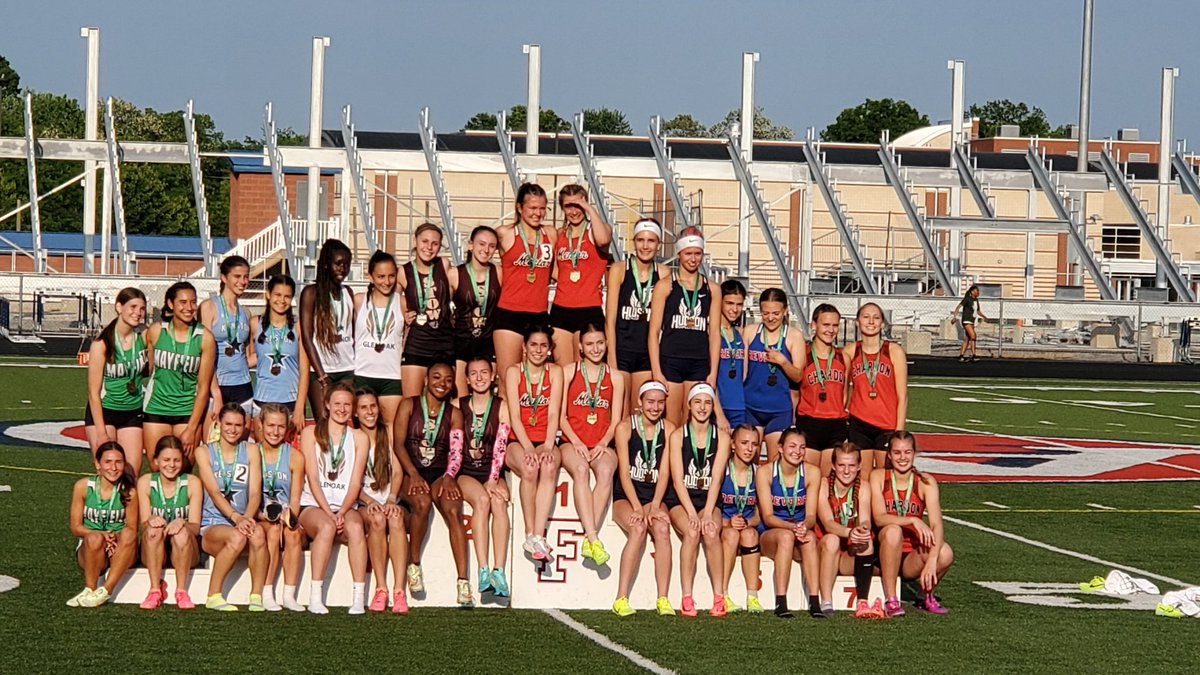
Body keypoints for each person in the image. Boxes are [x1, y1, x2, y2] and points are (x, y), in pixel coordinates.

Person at [393, 362, 471, 607]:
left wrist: (449, 476)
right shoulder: (409, 405)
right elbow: (397, 444)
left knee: (453, 509)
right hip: (410, 471)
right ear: (426, 379)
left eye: (448, 380)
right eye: (436, 377)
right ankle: (413, 565)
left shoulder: (454, 413)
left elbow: (457, 451)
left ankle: (463, 581)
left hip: (439, 474)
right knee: (422, 502)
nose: (442, 383)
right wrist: (413, 474)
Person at [298, 382, 371, 615]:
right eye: (337, 403)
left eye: (347, 405)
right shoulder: (310, 433)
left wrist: (342, 511)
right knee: (327, 527)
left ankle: (358, 597)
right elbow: (312, 477)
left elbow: (355, 483)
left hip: (345, 504)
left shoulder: (359, 438)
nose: (342, 409)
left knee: (357, 528)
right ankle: (315, 596)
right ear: (327, 405)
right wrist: (330, 513)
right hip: (314, 503)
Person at [558, 323, 624, 567]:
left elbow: (615, 419)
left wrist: (603, 442)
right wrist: (576, 441)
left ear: (606, 344)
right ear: (580, 347)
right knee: (581, 471)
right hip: (571, 442)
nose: (595, 349)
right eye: (589, 344)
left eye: (600, 343)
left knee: (606, 471)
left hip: (600, 442)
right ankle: (594, 537)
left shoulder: (615, 377)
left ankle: (588, 539)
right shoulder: (568, 372)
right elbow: (560, 415)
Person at [611, 382, 678, 617]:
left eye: (660, 402)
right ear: (640, 402)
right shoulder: (625, 427)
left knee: (661, 528)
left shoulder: (669, 429)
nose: (655, 407)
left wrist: (655, 504)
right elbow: (624, 472)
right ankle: (621, 597)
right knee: (637, 528)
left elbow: (666, 472)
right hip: (627, 495)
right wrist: (639, 508)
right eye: (650, 401)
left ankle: (663, 598)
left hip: (655, 496)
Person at [870, 431, 954, 617]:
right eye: (897, 453)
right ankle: (891, 599)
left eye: (907, 452)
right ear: (890, 455)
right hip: (882, 553)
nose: (903, 458)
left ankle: (923, 596)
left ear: (914, 454)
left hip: (909, 559)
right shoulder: (878, 477)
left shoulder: (925, 481)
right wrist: (912, 519)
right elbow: (879, 518)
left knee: (945, 552)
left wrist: (932, 560)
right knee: (893, 531)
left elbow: (937, 524)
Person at [195, 404, 268, 611]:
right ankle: (213, 595)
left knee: (259, 534)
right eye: (228, 424)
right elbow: (215, 493)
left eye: (238, 425)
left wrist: (246, 517)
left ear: (245, 426)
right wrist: (237, 518)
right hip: (213, 524)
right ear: (218, 423)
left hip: (243, 518)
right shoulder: (204, 452)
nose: (233, 429)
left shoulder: (251, 450)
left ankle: (256, 596)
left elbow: (255, 492)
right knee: (237, 536)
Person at [667, 383, 730, 618]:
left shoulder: (722, 437)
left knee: (711, 531)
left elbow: (716, 478)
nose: (702, 407)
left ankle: (719, 596)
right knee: (693, 532)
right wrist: (693, 513)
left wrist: (706, 512)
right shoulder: (677, 436)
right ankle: (686, 596)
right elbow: (677, 480)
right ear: (689, 405)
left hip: (709, 500)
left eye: (707, 403)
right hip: (682, 501)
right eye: (698, 402)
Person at [649, 227, 722, 426]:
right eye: (688, 253)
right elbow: (654, 331)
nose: (693, 259)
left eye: (697, 254)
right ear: (679, 254)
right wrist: (657, 370)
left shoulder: (712, 289)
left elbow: (714, 334)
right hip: (670, 361)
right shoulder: (665, 286)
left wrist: (713, 372)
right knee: (671, 422)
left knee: (694, 422)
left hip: (698, 362)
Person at [504, 324, 564, 564]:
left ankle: (538, 535)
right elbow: (515, 415)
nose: (538, 350)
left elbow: (553, 412)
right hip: (519, 439)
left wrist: (548, 445)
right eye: (533, 345)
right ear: (524, 347)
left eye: (543, 345)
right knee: (530, 468)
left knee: (548, 466)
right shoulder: (513, 372)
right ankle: (530, 533)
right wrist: (528, 447)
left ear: (549, 349)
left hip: (546, 437)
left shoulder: (555, 372)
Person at [143, 281, 217, 470]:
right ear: (170, 304)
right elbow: (147, 368)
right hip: (156, 408)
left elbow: (203, 387)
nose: (189, 308)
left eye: (193, 302)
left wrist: (192, 428)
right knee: (156, 466)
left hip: (187, 412)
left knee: (184, 467)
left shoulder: (205, 338)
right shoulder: (156, 331)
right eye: (182, 302)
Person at [458, 357, 513, 600]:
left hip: (493, 470)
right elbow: (454, 447)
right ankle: (482, 569)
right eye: (474, 373)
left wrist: (493, 479)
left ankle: (498, 571)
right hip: (466, 472)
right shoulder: (457, 405)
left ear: (493, 376)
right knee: (481, 500)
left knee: (499, 502)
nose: (479, 377)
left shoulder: (502, 406)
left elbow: (501, 445)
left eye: (484, 372)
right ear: (467, 379)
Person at [756, 427, 822, 619]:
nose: (797, 451)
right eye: (792, 446)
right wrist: (792, 528)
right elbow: (767, 517)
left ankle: (814, 601)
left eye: (802, 447)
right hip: (772, 532)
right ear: (781, 448)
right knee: (785, 537)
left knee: (810, 538)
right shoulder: (766, 472)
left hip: (798, 530)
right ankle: (781, 601)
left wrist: (803, 526)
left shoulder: (812, 472)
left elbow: (811, 515)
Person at [605, 218, 669, 415]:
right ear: (634, 241)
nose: (645, 246)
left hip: (646, 353)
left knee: (638, 410)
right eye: (640, 240)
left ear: (659, 244)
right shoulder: (619, 270)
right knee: (620, 411)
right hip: (622, 349)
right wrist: (612, 359)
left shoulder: (664, 273)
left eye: (651, 241)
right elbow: (610, 319)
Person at [354, 389, 409, 614]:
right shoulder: (353, 437)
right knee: (377, 519)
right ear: (356, 413)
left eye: (373, 406)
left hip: (389, 497)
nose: (370, 412)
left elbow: (397, 472)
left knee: (395, 519)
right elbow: (350, 480)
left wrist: (392, 499)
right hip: (363, 501)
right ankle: (380, 587)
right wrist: (367, 500)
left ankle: (399, 590)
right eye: (364, 408)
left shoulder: (388, 433)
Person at [494, 183, 556, 377]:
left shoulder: (551, 234)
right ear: (520, 208)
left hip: (538, 313)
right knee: (508, 378)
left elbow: (558, 271)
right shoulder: (505, 233)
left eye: (542, 208)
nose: (538, 213)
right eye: (532, 208)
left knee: (534, 379)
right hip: (509, 313)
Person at [817, 442, 885, 619]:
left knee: (866, 542)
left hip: (845, 554)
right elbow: (828, 523)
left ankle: (862, 601)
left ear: (859, 466)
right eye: (841, 465)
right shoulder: (823, 485)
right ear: (833, 465)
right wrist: (849, 532)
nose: (846, 471)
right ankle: (826, 601)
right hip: (822, 551)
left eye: (851, 465)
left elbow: (865, 519)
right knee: (832, 539)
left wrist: (863, 529)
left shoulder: (863, 487)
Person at [66, 441, 138, 608]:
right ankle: (90, 589)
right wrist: (103, 536)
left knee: (128, 534)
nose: (113, 467)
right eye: (108, 462)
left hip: (119, 549)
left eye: (118, 462)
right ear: (97, 464)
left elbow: (132, 528)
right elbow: (75, 527)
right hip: (91, 548)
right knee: (93, 537)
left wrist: (115, 539)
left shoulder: (130, 491)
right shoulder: (83, 486)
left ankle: (106, 590)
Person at [85, 287, 147, 473]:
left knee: (131, 473)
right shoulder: (101, 344)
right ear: (119, 307)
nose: (138, 313)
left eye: (142, 308)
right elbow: (93, 393)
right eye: (133, 306)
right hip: (105, 412)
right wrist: (101, 432)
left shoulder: (144, 337)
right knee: (109, 472)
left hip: (132, 411)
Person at [549, 185, 612, 365]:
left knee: (583, 369)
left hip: (588, 308)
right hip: (561, 308)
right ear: (562, 208)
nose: (574, 211)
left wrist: (589, 209)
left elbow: (603, 240)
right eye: (569, 206)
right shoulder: (560, 235)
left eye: (579, 205)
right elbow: (551, 268)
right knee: (563, 369)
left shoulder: (597, 230)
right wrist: (564, 280)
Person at [137, 436, 202, 610]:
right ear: (156, 460)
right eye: (166, 460)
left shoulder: (192, 482)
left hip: (185, 548)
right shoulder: (145, 482)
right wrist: (151, 520)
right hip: (155, 547)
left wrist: (182, 522)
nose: (171, 465)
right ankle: (154, 590)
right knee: (154, 530)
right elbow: (143, 525)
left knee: (181, 533)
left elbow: (195, 527)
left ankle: (181, 591)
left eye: (176, 460)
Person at [844, 303, 908, 474]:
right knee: (861, 478)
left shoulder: (894, 351)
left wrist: (899, 432)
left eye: (876, 317)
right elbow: (841, 387)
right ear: (857, 322)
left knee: (883, 477)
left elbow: (902, 396)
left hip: (886, 424)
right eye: (865, 317)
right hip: (859, 422)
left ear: (882, 323)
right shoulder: (850, 351)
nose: (871, 321)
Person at [743, 288, 805, 461]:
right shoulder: (750, 332)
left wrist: (783, 361)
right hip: (751, 407)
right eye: (765, 313)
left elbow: (798, 376)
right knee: (749, 462)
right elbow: (742, 371)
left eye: (776, 313)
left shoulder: (794, 336)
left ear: (785, 311)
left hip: (779, 410)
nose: (770, 318)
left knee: (775, 465)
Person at [255, 403, 305, 612]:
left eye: (281, 427)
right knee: (273, 532)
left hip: (283, 513)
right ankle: (267, 592)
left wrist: (290, 516)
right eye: (271, 426)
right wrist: (262, 515)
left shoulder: (295, 457)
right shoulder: (251, 453)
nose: (275, 432)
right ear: (260, 425)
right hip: (258, 513)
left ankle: (289, 595)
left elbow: (295, 497)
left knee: (293, 533)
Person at [300, 238, 356, 415]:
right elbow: (307, 338)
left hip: (347, 369)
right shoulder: (311, 293)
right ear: (326, 265)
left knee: (343, 422)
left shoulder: (348, 292)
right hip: (322, 371)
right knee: (323, 423)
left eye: (346, 264)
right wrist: (323, 379)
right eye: (338, 264)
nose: (343, 268)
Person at [399, 223, 455, 397]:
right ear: (415, 241)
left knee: (446, 402)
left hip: (445, 341)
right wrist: (404, 314)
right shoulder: (403, 271)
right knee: (411, 402)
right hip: (418, 343)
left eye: (435, 243)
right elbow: (393, 301)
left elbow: (455, 291)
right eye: (424, 241)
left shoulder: (444, 264)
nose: (429, 248)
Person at [250, 275, 309, 435]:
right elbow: (248, 358)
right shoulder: (255, 324)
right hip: (262, 400)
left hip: (290, 402)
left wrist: (299, 408)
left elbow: (304, 370)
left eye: (287, 296)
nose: (282, 300)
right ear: (268, 295)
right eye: (277, 295)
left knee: (287, 457)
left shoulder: (298, 327)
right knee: (261, 454)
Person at [796, 304, 849, 474]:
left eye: (835, 325)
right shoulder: (802, 354)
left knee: (827, 480)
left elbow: (845, 392)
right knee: (808, 478)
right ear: (814, 325)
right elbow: (795, 392)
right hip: (809, 422)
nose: (831, 330)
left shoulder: (843, 357)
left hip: (835, 424)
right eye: (826, 325)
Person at [355, 250, 404, 433]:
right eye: (381, 276)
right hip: (362, 373)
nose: (387, 281)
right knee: (364, 429)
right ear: (371, 277)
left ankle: (388, 463)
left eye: (391, 276)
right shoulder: (359, 301)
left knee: (391, 428)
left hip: (391, 375)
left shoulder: (403, 302)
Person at [200, 255, 256, 414]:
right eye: (237, 276)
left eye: (246, 277)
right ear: (224, 278)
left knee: (241, 437)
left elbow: (247, 356)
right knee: (212, 436)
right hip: (217, 384)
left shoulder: (245, 312)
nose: (243, 281)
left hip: (243, 385)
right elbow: (204, 353)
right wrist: (216, 392)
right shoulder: (209, 307)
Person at [452, 226, 501, 395]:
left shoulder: (499, 273)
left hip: (488, 342)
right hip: (461, 343)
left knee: (487, 396)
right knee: (462, 399)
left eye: (492, 246)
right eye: (482, 244)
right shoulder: (455, 274)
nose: (486, 250)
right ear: (471, 245)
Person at [718, 425, 762, 614]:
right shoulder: (722, 469)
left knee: (750, 535)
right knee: (731, 535)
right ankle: (723, 594)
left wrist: (746, 523)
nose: (749, 449)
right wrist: (727, 523)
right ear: (733, 445)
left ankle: (752, 596)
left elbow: (760, 514)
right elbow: (709, 507)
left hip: (745, 526)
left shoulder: (758, 473)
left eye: (754, 444)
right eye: (744, 443)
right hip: (722, 525)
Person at [714, 280, 747, 435]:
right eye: (729, 303)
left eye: (739, 304)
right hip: (717, 407)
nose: (734, 309)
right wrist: (719, 413)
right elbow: (706, 378)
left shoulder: (740, 333)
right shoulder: (711, 333)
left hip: (738, 406)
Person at [951, 284, 986, 362]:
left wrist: (984, 316)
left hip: (972, 321)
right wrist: (954, 317)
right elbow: (958, 307)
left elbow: (978, 311)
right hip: (966, 320)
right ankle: (973, 355)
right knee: (973, 336)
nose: (978, 292)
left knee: (967, 339)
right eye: (977, 291)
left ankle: (961, 355)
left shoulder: (976, 300)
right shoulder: (967, 299)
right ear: (972, 292)